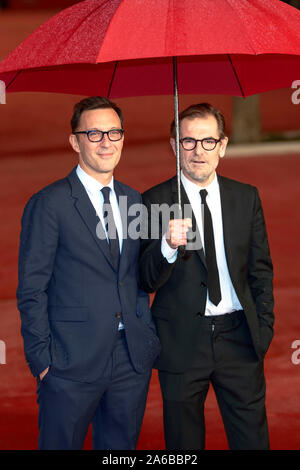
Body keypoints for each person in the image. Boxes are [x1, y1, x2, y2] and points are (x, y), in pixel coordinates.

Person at [16, 96, 161, 450]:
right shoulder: (49, 203)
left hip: (130, 361)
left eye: (114, 132)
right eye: (94, 133)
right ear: (74, 141)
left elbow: (138, 276)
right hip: (69, 362)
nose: (106, 142)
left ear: (124, 138)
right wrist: (43, 361)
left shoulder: (133, 200)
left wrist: (170, 248)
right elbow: (32, 288)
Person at [139, 103, 274, 450]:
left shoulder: (246, 198)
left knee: (252, 441)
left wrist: (263, 330)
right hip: (181, 342)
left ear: (223, 145)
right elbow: (144, 279)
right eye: (188, 141)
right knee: (184, 446)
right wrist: (167, 245)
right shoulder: (154, 202)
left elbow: (260, 271)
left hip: (239, 340)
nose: (198, 151)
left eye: (208, 141)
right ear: (174, 146)